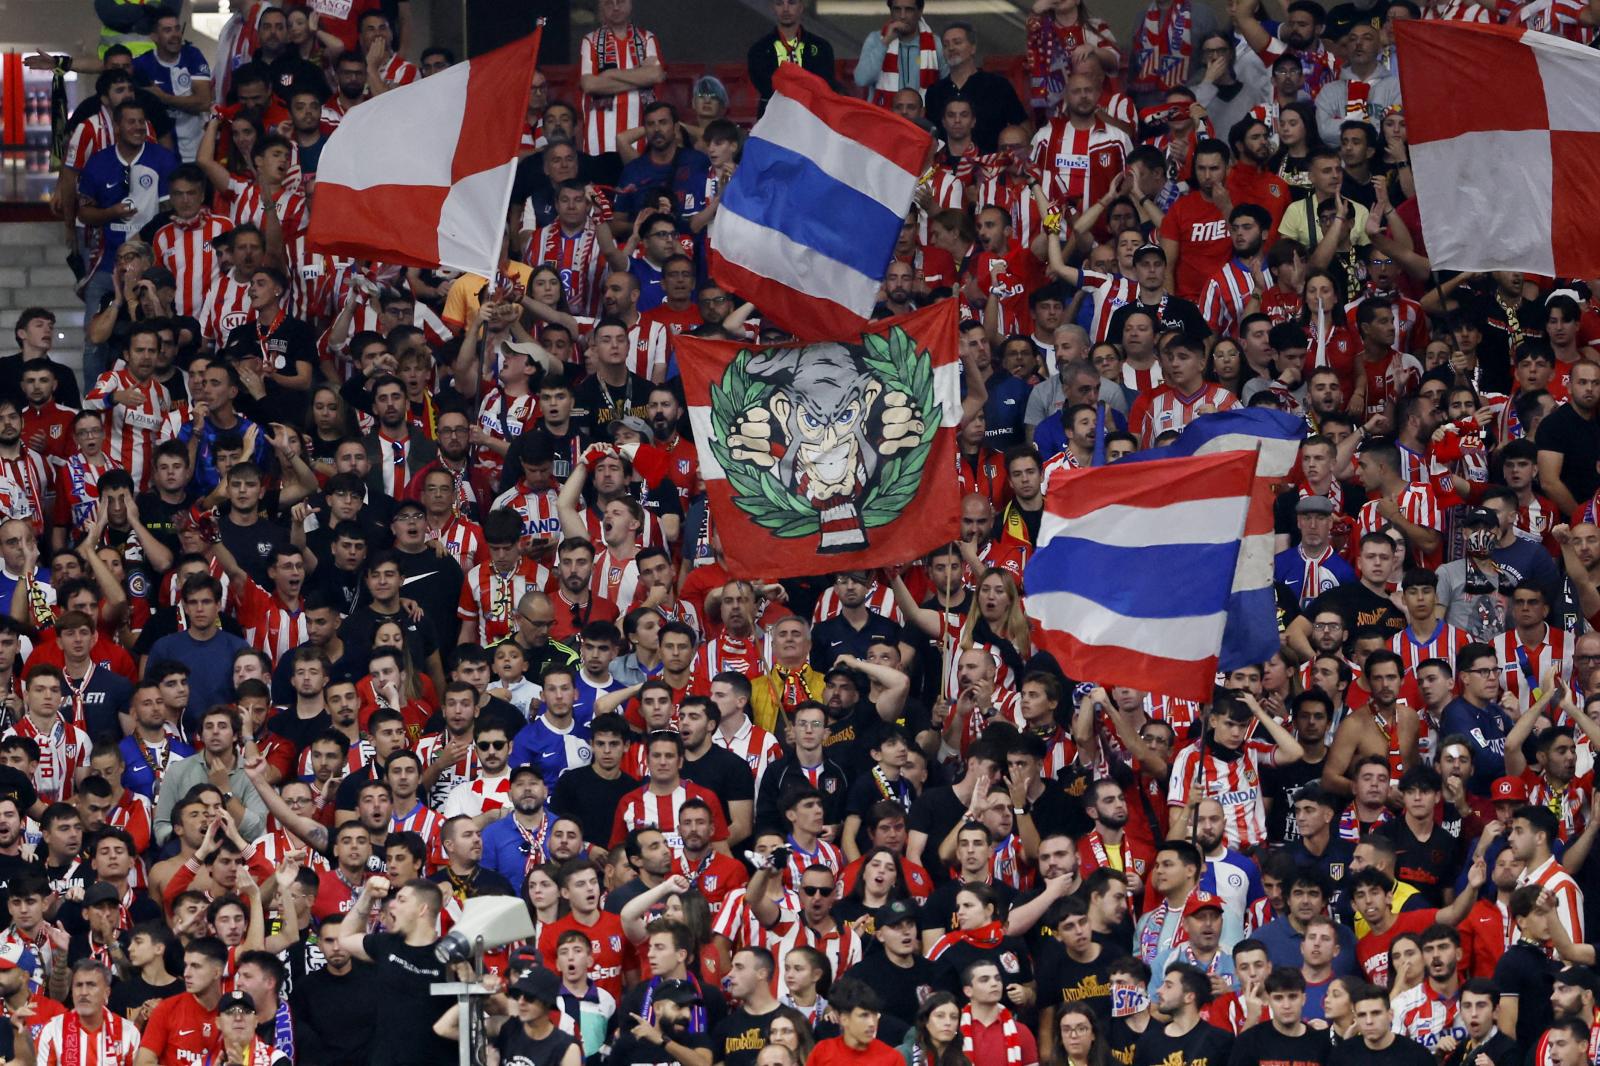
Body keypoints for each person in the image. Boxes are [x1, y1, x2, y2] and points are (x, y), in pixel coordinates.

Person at [334, 875, 454, 1066]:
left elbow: (487, 1005)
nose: (392, 906)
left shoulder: (451, 955)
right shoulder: (386, 944)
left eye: (402, 900)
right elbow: (346, 938)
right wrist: (367, 896)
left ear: (422, 909)